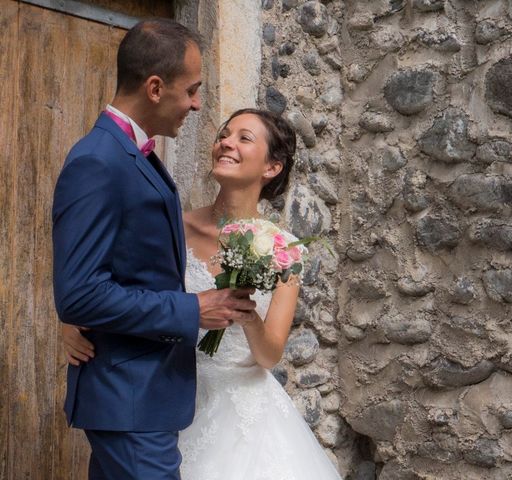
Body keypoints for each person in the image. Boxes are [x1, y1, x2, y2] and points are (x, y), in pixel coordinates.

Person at [63, 108, 342, 479]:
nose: (226, 142)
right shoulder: (174, 228)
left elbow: (269, 354)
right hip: (160, 394)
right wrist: (74, 321)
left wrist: (247, 316)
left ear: (271, 167)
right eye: (225, 134)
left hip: (243, 414)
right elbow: (107, 284)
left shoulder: (286, 250)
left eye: (244, 138)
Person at [52, 19, 256, 480]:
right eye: (193, 90)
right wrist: (191, 310)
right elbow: (79, 293)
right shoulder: (98, 161)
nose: (198, 104)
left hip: (143, 398)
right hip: (129, 398)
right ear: (156, 87)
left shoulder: (132, 154)